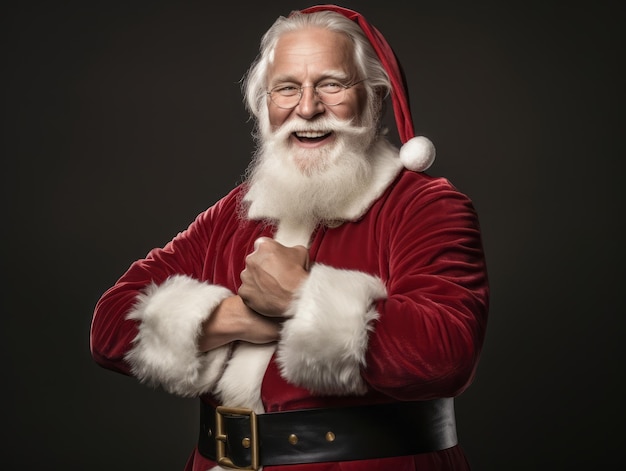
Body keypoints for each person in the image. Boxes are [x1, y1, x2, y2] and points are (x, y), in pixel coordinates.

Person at [90, 4, 489, 471]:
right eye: (286, 89)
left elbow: (447, 356)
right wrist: (241, 317)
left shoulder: (426, 206)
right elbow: (111, 327)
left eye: (332, 84)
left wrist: (300, 298)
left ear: (375, 96)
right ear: (265, 105)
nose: (307, 108)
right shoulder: (237, 212)